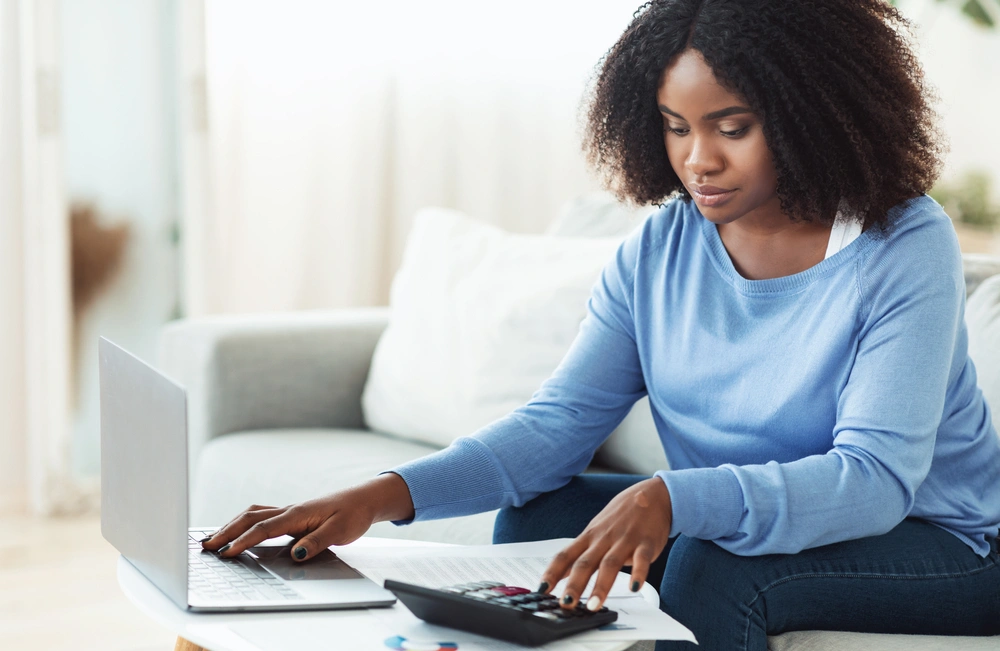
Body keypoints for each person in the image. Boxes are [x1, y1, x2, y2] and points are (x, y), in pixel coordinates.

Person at [199, 1, 1000, 648]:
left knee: (716, 567)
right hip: (752, 520)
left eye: (732, 126)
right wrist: (380, 496)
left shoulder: (901, 243)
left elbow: (873, 481)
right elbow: (555, 427)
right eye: (676, 125)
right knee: (539, 515)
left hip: (944, 543)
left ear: (808, 113)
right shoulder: (659, 248)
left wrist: (673, 498)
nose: (698, 159)